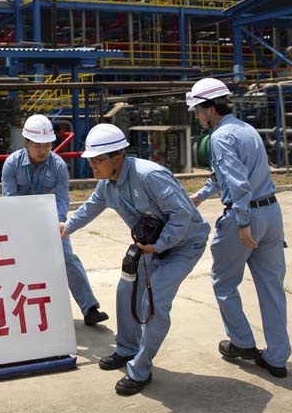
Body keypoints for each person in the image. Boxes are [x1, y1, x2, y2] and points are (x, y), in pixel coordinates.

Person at [60, 123, 210, 396]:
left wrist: (160, 245)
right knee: (126, 290)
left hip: (183, 245)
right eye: (91, 160)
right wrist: (67, 227)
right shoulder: (108, 184)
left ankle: (140, 369)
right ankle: (126, 348)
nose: (92, 166)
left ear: (117, 158)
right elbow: (90, 207)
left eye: (97, 160)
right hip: (149, 245)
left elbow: (182, 214)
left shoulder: (150, 176)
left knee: (153, 303)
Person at [186, 77, 291, 378]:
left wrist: (243, 222)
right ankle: (277, 358)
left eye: (198, 112)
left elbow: (238, 183)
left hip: (245, 218)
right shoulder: (247, 130)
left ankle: (242, 342)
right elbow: (226, 175)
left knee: (223, 281)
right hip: (271, 214)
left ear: (210, 109)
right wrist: (201, 196)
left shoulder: (220, 137)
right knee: (271, 288)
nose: (197, 118)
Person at [2, 114, 109, 327]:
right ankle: (16, 313)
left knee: (67, 258)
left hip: (50, 222)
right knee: (17, 265)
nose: (43, 150)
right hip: (19, 224)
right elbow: (9, 200)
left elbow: (62, 199)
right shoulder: (12, 164)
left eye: (47, 145)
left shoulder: (58, 165)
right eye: (38, 145)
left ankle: (90, 308)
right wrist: (21, 227)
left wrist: (58, 223)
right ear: (26, 143)